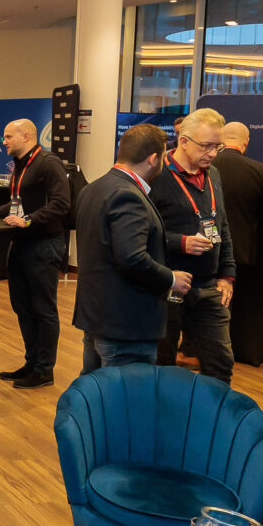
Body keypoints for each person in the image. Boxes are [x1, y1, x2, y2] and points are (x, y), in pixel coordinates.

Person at [75, 123, 187, 372]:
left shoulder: (93, 188)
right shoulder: (129, 195)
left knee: (96, 391)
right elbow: (131, 258)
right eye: (163, 158)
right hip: (125, 324)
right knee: (126, 393)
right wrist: (171, 278)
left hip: (97, 315)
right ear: (153, 159)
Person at [0, 119, 70, 387]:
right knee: (23, 307)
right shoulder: (20, 164)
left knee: (43, 309)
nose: (3, 141)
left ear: (26, 136)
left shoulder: (49, 163)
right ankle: (31, 364)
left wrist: (27, 221)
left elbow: (61, 203)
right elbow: (18, 203)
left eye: (8, 137)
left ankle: (44, 370)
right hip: (22, 245)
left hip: (44, 246)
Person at [149, 106, 235, 383]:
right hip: (166, 285)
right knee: (161, 364)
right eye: (206, 146)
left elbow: (222, 227)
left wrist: (227, 275)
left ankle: (214, 411)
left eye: (217, 146)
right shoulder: (155, 176)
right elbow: (141, 233)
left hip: (208, 287)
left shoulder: (214, 174)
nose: (212, 153)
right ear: (183, 141)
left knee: (220, 364)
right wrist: (180, 242)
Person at [214, 120, 263, 369]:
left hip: (203, 245)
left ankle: (196, 348)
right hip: (244, 247)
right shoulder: (260, 171)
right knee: (240, 302)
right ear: (246, 142)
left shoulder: (206, 165)